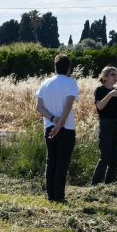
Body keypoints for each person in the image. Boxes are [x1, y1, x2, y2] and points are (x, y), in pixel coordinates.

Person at [35, 54, 79, 203]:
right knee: (62, 163)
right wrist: (60, 124)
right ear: (68, 68)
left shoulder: (45, 83)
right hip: (65, 129)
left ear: (56, 67)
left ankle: (51, 195)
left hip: (49, 127)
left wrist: (53, 120)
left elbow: (39, 107)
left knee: (51, 161)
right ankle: (59, 197)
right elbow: (68, 105)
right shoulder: (70, 82)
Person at [91, 66, 117, 185]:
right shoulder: (99, 90)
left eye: (116, 74)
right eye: (112, 74)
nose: (115, 77)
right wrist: (110, 95)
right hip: (106, 125)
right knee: (105, 157)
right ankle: (94, 186)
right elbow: (99, 106)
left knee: (115, 158)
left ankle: (108, 185)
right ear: (105, 77)